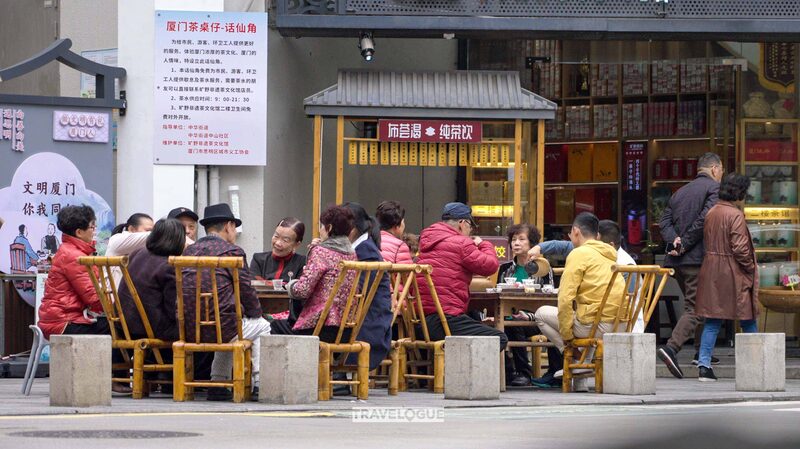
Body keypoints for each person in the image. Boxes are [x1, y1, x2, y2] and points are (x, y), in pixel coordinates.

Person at [37, 205, 131, 393]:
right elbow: (94, 299)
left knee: (116, 324)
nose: (94, 231)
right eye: (92, 227)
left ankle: (114, 377)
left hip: (60, 317)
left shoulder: (70, 250)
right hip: (63, 321)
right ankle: (113, 379)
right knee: (120, 326)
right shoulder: (75, 257)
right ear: (79, 232)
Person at [182, 203, 270, 401]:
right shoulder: (233, 252)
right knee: (261, 326)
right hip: (223, 328)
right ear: (229, 226)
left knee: (230, 324)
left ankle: (217, 382)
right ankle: (259, 383)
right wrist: (256, 313)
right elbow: (246, 292)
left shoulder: (189, 252)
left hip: (190, 328)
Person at [533, 212, 627, 392]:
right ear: (597, 235)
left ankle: (574, 357)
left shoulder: (579, 254)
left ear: (576, 232)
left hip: (597, 325)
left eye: (570, 233)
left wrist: (567, 338)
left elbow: (565, 297)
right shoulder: (608, 253)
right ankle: (580, 376)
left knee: (541, 314)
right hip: (619, 324)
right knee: (585, 314)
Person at [657, 152, 724, 379]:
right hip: (696, 260)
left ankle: (699, 350)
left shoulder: (680, 192)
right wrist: (684, 243)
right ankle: (671, 348)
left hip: (677, 262)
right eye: (721, 171)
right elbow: (706, 219)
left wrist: (673, 239)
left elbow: (663, 221)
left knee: (696, 305)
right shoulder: (714, 189)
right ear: (715, 169)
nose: (721, 175)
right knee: (696, 308)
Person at [416, 202, 507, 349]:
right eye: (470, 226)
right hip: (445, 320)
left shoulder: (426, 241)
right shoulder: (461, 243)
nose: (470, 231)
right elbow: (490, 266)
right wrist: (484, 244)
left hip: (421, 321)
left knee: (473, 318)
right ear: (462, 223)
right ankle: (464, 372)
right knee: (499, 339)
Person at [695, 174, 758, 382]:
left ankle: (704, 365)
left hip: (711, 267)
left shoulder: (712, 211)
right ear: (739, 192)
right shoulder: (735, 215)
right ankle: (757, 362)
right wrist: (750, 267)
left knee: (713, 319)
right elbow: (740, 248)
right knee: (748, 316)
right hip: (732, 271)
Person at [272, 205, 358, 342]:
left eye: (321, 226)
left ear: (329, 228)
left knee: (272, 326)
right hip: (347, 329)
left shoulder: (321, 251)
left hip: (319, 328)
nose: (320, 230)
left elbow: (303, 291)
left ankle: (298, 364)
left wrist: (291, 285)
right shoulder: (352, 254)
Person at [494, 223, 556, 387]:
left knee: (514, 325)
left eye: (522, 239)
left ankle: (524, 373)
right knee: (495, 327)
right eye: (514, 239)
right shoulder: (505, 268)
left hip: (536, 318)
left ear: (532, 244)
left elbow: (547, 299)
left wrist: (527, 315)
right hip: (508, 316)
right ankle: (507, 372)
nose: (516, 243)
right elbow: (499, 295)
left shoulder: (542, 268)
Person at [118, 218, 185, 341]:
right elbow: (173, 310)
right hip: (146, 328)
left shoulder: (137, 253)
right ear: (178, 240)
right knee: (196, 332)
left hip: (122, 324)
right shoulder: (168, 266)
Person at [345, 202, 392, 371]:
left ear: (352, 227)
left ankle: (340, 375)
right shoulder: (360, 246)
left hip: (369, 323)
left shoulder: (366, 251)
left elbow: (357, 292)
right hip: (359, 318)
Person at [250, 217, 306, 283]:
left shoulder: (302, 262)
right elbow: (254, 285)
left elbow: (299, 289)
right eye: (276, 236)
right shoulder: (258, 259)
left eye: (285, 240)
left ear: (296, 244)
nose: (278, 243)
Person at [376, 200, 414, 265]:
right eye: (403, 221)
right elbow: (406, 274)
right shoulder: (400, 246)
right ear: (397, 225)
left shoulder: (367, 242)